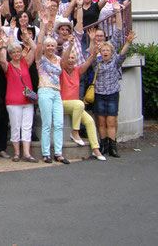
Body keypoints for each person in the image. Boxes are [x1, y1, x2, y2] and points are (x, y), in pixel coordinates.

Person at [60, 30, 106, 160]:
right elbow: (63, 61)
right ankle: (75, 132)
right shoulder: (61, 70)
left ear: (75, 60)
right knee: (80, 103)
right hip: (63, 104)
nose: (70, 60)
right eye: (69, 58)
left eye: (73, 58)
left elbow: (88, 62)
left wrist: (94, 53)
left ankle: (96, 150)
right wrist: (69, 46)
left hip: (76, 106)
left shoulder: (77, 70)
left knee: (90, 121)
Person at [93, 30, 136, 158]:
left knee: (111, 121)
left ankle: (113, 146)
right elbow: (89, 56)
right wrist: (92, 44)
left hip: (112, 93)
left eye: (108, 50)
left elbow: (122, 54)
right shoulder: (97, 62)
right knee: (101, 122)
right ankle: (104, 145)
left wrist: (128, 43)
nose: (105, 52)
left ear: (112, 52)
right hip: (99, 93)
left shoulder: (115, 62)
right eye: (103, 50)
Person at [0, 31, 39, 162]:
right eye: (13, 52)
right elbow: (2, 60)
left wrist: (27, 37)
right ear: (10, 54)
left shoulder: (25, 63)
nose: (16, 54)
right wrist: (4, 45)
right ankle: (16, 153)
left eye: (18, 51)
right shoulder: (8, 66)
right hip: (13, 101)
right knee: (16, 127)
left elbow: (35, 48)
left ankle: (26, 153)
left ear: (21, 53)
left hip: (27, 100)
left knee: (27, 126)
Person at [36, 13, 69, 164]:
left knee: (59, 123)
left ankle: (58, 152)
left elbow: (66, 62)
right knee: (47, 123)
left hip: (57, 92)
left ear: (56, 48)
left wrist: (72, 45)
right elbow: (37, 44)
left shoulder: (59, 59)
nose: (50, 48)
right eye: (48, 45)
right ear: (44, 48)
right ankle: (45, 153)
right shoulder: (40, 59)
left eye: (52, 46)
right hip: (44, 91)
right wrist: (43, 26)